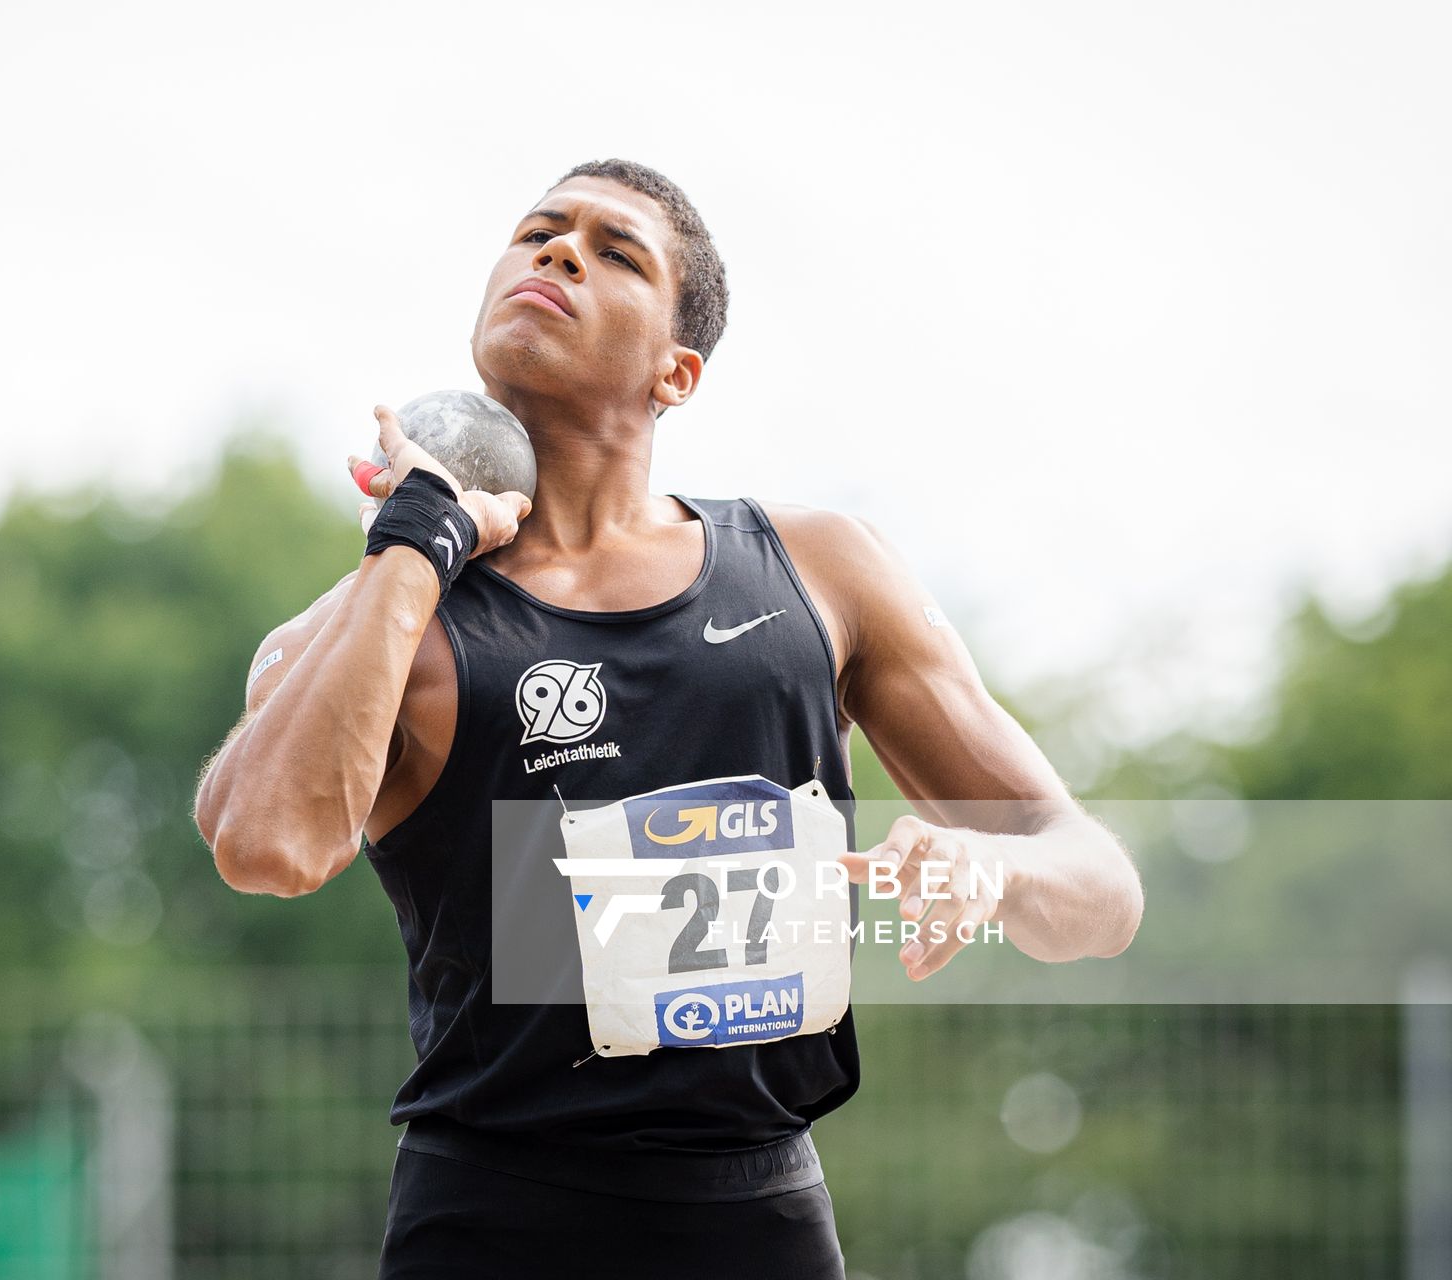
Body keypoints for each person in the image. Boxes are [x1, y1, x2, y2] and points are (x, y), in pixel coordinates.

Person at [193, 158, 1144, 1278]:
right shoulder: (386, 621)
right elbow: (265, 844)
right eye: (539, 231)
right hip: (491, 1219)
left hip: (755, 1217)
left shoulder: (819, 573)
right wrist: (413, 542)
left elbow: (1102, 889)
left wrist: (995, 868)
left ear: (676, 372)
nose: (557, 252)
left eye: (615, 250)